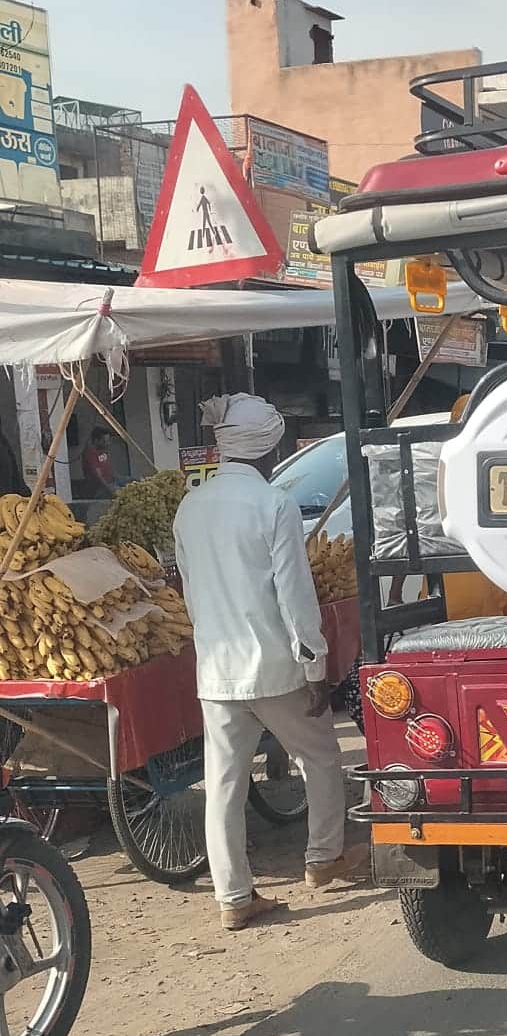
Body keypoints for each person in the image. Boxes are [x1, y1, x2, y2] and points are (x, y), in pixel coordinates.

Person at [174, 393, 354, 931]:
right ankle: (324, 858)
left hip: (217, 670)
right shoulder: (272, 505)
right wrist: (316, 665)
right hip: (274, 665)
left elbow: (188, 591)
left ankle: (234, 897)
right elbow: (295, 596)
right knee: (320, 758)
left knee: (223, 786)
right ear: (267, 450)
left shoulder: (190, 507)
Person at [81, 427, 119, 499]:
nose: (107, 444)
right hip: (100, 487)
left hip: (112, 481)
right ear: (96, 440)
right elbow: (98, 475)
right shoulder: (91, 453)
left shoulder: (103, 450)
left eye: (108, 441)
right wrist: (110, 488)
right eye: (104, 441)